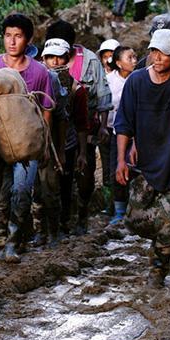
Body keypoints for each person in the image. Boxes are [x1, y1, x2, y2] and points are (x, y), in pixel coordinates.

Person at [114, 29, 170, 288]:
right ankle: (167, 235)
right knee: (133, 219)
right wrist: (121, 159)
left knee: (168, 223)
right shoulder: (137, 82)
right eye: (153, 51)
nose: (156, 58)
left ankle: (158, 270)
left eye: (162, 54)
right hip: (145, 162)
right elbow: (123, 123)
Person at [0, 13, 54, 262]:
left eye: (18, 36)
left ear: (28, 40)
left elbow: (46, 111)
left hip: (26, 147)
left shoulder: (40, 72)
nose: (12, 41)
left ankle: (13, 241)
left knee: (22, 192)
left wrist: (44, 146)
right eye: (8, 35)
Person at [45, 20, 112, 233]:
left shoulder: (90, 61)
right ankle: (60, 219)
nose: (55, 61)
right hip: (52, 130)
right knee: (57, 177)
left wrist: (102, 126)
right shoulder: (43, 64)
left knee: (85, 171)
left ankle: (82, 213)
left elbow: (102, 94)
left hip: (84, 124)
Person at [35, 38, 92, 245]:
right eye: (51, 57)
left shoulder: (77, 89)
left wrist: (83, 153)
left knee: (61, 186)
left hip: (65, 145)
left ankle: (61, 226)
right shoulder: (35, 83)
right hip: (39, 144)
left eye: (60, 57)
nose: (55, 62)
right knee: (39, 189)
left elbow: (81, 123)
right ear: (43, 59)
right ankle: (41, 229)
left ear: (68, 60)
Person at [105, 45, 136, 225]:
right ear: (118, 63)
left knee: (135, 170)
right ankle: (118, 211)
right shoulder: (109, 80)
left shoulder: (139, 79)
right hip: (115, 131)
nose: (133, 61)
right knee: (116, 169)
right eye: (129, 58)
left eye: (134, 57)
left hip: (137, 132)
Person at [97, 38, 120, 211]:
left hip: (119, 129)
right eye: (105, 56)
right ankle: (109, 203)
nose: (108, 60)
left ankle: (119, 203)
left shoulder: (124, 78)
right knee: (106, 166)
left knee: (116, 165)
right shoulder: (100, 78)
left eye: (111, 56)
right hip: (104, 127)